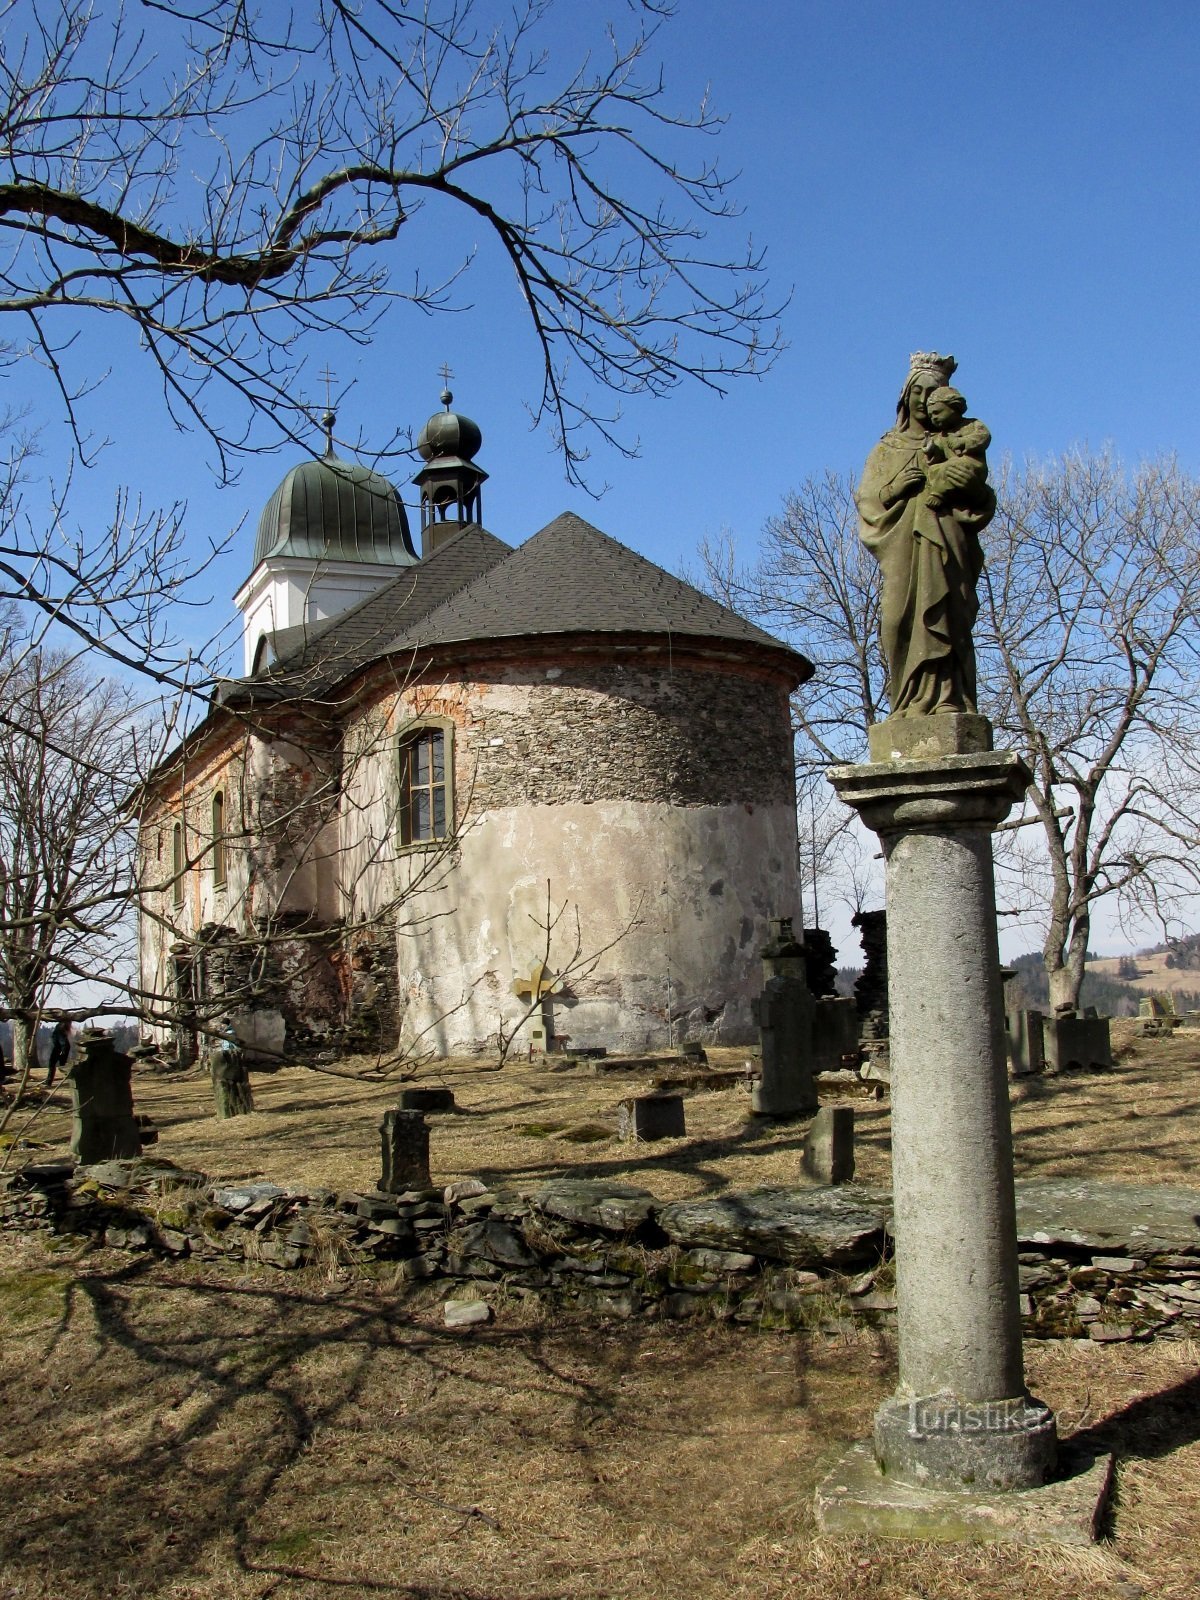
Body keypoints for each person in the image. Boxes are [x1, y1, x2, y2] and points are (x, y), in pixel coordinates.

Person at [856, 352, 997, 717]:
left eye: (931, 392)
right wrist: (897, 487)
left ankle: (948, 699)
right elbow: (869, 500)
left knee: (949, 616)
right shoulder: (887, 448)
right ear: (904, 397)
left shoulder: (959, 441)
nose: (922, 400)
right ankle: (905, 702)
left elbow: (981, 495)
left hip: (949, 543)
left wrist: (968, 490)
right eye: (916, 391)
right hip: (903, 546)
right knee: (895, 621)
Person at [46, 1018, 72, 1087]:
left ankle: (48, 1082)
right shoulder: (60, 1029)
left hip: (59, 1049)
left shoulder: (60, 1029)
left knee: (57, 1065)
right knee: (55, 1064)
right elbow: (64, 1043)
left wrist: (62, 1054)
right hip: (58, 1049)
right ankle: (48, 1082)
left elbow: (64, 1044)